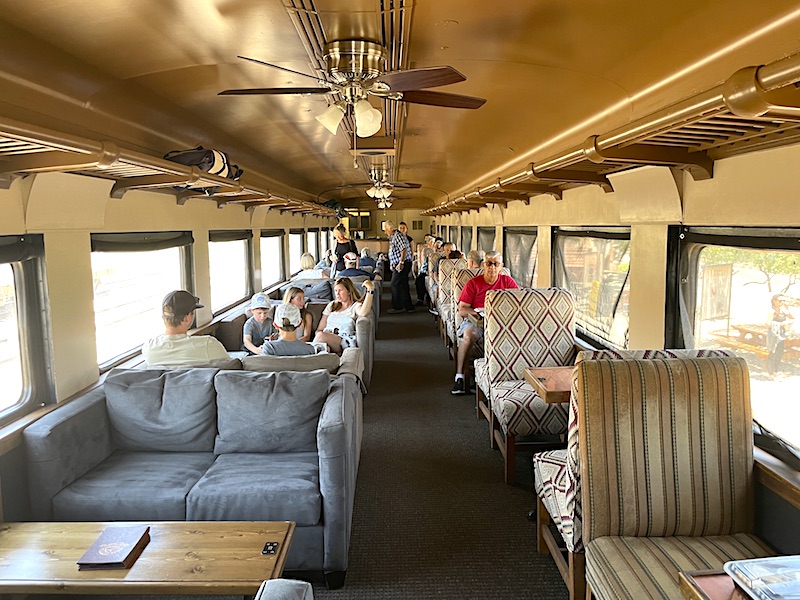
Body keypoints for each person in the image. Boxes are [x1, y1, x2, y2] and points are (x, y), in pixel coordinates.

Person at [452, 251, 519, 394]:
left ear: (501, 266)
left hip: (502, 324)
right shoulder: (473, 284)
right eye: (489, 263)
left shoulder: (507, 282)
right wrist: (478, 313)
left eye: (496, 264)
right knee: (469, 335)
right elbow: (462, 309)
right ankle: (460, 377)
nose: (492, 267)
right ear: (483, 265)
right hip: (477, 323)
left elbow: (519, 302)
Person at [142, 290, 229, 366]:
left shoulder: (149, 348)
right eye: (192, 313)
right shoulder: (207, 344)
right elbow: (232, 369)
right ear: (186, 318)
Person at [314, 277, 376, 354]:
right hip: (326, 336)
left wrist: (370, 291)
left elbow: (363, 312)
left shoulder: (355, 306)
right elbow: (320, 329)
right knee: (325, 348)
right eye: (336, 291)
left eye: (340, 290)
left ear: (349, 291)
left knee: (321, 336)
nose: (337, 293)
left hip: (341, 339)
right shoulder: (332, 305)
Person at [384, 220, 415, 313]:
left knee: (395, 283)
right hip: (399, 263)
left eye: (386, 229)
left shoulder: (397, 236)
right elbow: (394, 251)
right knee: (402, 284)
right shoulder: (393, 236)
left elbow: (404, 249)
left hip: (403, 263)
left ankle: (397, 307)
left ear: (390, 229)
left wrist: (401, 263)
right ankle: (408, 306)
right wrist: (391, 263)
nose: (385, 232)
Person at [767, 294, 795, 377]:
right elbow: (767, 324)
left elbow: (792, 318)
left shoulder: (783, 311)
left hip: (781, 335)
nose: (782, 302)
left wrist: (787, 309)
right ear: (774, 301)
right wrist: (780, 324)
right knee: (772, 353)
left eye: (783, 300)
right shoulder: (772, 311)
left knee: (779, 353)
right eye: (780, 301)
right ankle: (771, 374)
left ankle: (776, 371)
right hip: (773, 335)